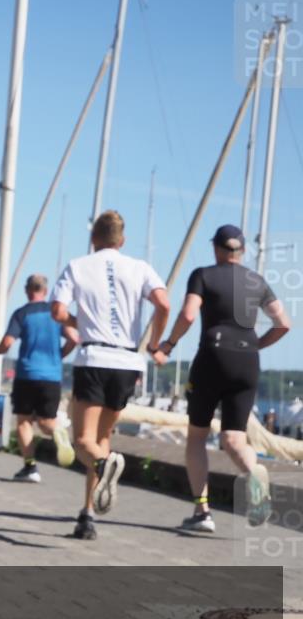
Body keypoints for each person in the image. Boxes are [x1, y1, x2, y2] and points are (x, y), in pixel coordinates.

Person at [154, 225, 290, 532]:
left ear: (216, 248)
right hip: (247, 361)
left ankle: (202, 513)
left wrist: (168, 344)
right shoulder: (257, 281)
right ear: (241, 252)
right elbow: (283, 323)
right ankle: (253, 471)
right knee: (234, 438)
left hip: (213, 358)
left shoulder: (203, 275)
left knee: (198, 436)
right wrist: (257, 344)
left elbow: (189, 315)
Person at [51, 210, 170, 541]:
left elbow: (57, 311)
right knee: (103, 440)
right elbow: (163, 304)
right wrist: (156, 342)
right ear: (123, 240)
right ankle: (88, 514)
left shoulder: (78, 265)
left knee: (83, 441)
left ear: (94, 238)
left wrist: (81, 322)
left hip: (94, 357)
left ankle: (103, 469)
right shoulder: (140, 268)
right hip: (128, 361)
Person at [0, 273, 78, 482]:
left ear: (27, 290)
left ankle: (30, 468)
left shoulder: (22, 314)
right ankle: (57, 431)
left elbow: (7, 343)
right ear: (45, 291)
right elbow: (74, 338)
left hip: (27, 374)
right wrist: (59, 356)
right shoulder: (56, 313)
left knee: (24, 422)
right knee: (47, 421)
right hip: (52, 376)